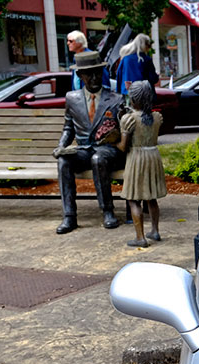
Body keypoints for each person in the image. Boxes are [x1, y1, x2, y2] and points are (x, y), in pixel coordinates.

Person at [52, 51, 126, 234]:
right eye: (89, 74)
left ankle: (108, 211)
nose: (94, 78)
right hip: (84, 149)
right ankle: (69, 216)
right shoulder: (72, 98)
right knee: (64, 161)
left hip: (108, 150)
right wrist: (61, 146)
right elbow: (68, 128)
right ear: (80, 75)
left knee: (98, 158)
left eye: (98, 73)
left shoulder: (116, 99)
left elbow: (124, 128)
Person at [117, 81, 167, 247]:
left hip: (136, 158)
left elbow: (123, 147)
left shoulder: (128, 119)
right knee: (151, 197)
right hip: (153, 156)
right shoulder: (156, 118)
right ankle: (155, 230)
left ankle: (140, 237)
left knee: (134, 200)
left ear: (133, 99)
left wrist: (112, 142)